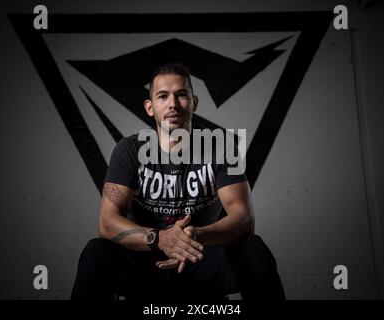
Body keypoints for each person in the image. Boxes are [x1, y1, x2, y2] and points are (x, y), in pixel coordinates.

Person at [71, 63, 285, 301]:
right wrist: (160, 239)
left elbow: (243, 218)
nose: (173, 104)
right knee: (96, 253)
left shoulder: (221, 147)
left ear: (194, 102)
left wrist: (196, 236)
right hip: (145, 261)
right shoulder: (129, 150)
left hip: (199, 257)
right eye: (163, 96)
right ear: (149, 108)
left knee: (254, 250)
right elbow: (107, 223)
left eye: (181, 95)